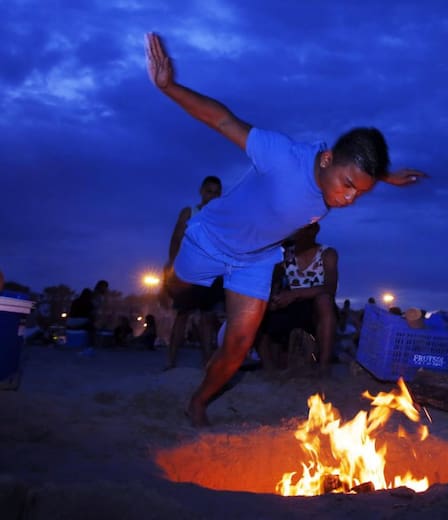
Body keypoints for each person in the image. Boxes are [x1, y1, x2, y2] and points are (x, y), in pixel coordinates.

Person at [145, 32, 425, 426]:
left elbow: (356, 172)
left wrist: (386, 176)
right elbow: (222, 119)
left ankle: (198, 402)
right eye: (347, 186)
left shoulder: (339, 173)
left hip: (255, 260)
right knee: (177, 287)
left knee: (240, 343)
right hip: (209, 240)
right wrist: (169, 86)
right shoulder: (282, 155)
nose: (348, 199)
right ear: (326, 160)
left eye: (359, 193)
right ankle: (173, 276)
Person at [256, 222, 338, 373]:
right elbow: (272, 284)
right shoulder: (284, 255)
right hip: (291, 305)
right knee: (257, 306)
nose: (301, 233)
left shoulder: (327, 253)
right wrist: (274, 299)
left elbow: (330, 287)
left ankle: (324, 366)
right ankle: (269, 368)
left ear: (315, 230)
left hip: (315, 306)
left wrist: (295, 294)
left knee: (324, 300)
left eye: (306, 229)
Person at [164, 176, 224, 370]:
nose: (212, 196)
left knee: (207, 317)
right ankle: (171, 362)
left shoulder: (222, 216)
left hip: (212, 272)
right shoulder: (189, 212)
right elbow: (176, 239)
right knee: (182, 315)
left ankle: (207, 362)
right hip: (188, 271)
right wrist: (172, 265)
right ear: (201, 191)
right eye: (209, 191)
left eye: (217, 193)